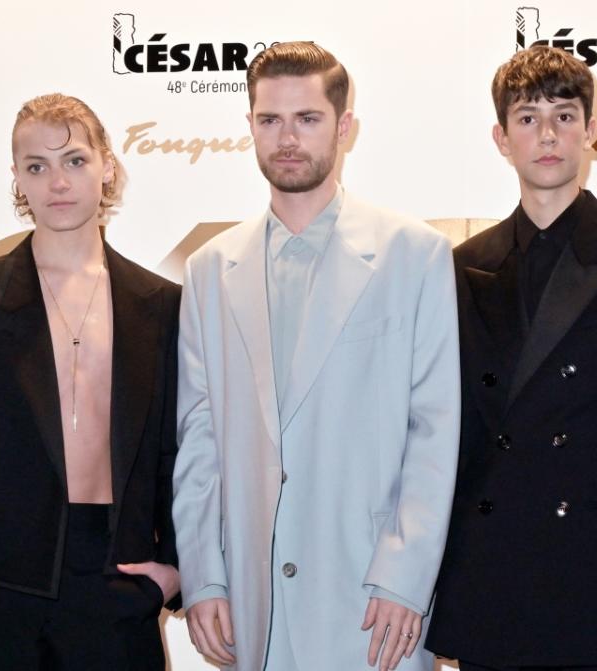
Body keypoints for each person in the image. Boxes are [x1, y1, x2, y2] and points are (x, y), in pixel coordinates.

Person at [172, 42, 460, 671]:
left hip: (373, 601)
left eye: (307, 119)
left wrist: (404, 579)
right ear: (249, 126)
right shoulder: (210, 270)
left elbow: (435, 431)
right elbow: (198, 439)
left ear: (344, 127)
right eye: (270, 120)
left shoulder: (415, 254)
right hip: (254, 599)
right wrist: (205, 577)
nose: (287, 139)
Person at [425, 45, 597, 671]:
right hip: (495, 580)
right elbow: (450, 439)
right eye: (527, 118)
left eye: (565, 115)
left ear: (592, 130)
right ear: (501, 138)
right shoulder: (464, 267)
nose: (547, 134)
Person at [0, 93, 182, 670]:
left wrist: (175, 569)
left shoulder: (161, 306)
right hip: (2, 594)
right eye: (37, 166)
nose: (58, 181)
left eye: (75, 161)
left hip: (123, 584)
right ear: (17, 178)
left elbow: (183, 451)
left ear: (108, 165)